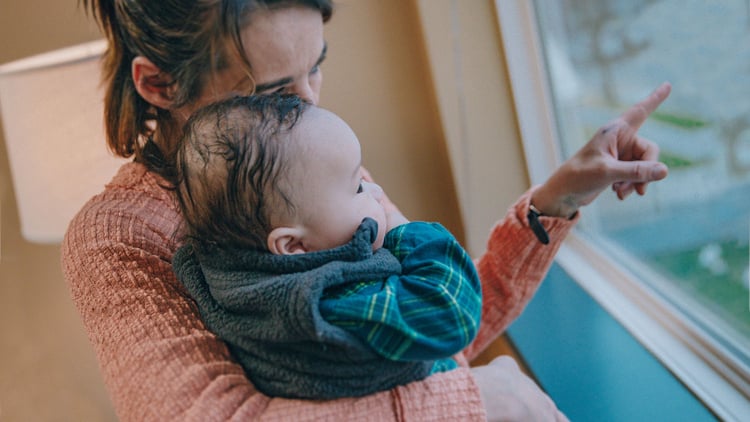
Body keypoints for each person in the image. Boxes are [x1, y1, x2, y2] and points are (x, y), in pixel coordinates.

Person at [61, 0, 671, 420]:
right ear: (158, 84)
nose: (309, 107)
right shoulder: (117, 238)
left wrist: (557, 199)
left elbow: (434, 325)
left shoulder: (304, 162)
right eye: (274, 92)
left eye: (317, 66)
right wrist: (478, 402)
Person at [170, 94, 482, 400]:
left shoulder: (225, 271)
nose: (377, 190)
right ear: (293, 245)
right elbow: (452, 312)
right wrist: (405, 231)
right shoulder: (323, 300)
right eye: (357, 186)